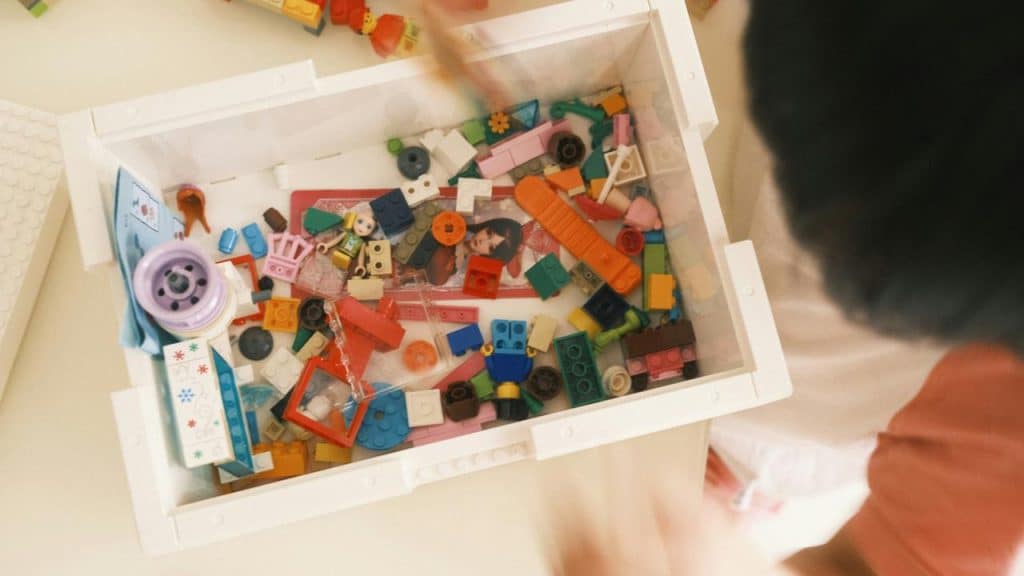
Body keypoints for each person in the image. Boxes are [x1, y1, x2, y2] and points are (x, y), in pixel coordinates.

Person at [554, 1, 1023, 574]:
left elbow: (876, 562)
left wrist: (730, 565)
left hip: (768, 441)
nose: (809, 228)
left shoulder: (1002, 431)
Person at [425, 218, 523, 285]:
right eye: (488, 233)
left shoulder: (457, 264)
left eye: (491, 247)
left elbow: (436, 280)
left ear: (491, 255)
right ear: (486, 226)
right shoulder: (456, 226)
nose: (482, 241)